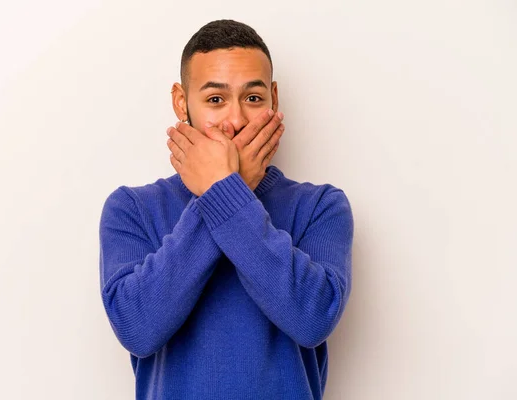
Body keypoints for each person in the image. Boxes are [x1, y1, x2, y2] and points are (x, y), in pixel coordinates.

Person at [98, 19, 354, 400]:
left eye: (253, 98)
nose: (235, 120)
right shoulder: (132, 209)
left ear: (274, 99)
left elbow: (312, 318)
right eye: (215, 99)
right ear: (181, 103)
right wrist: (230, 190)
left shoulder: (320, 206)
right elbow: (137, 328)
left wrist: (224, 191)